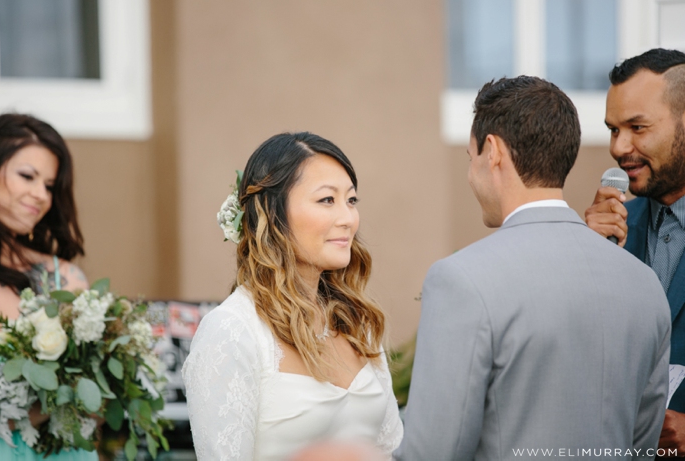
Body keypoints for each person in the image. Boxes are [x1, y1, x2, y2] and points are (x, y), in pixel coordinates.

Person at [394, 76, 671, 460]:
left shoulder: (460, 279)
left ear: (492, 151)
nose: (471, 174)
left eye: (470, 157)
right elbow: (644, 442)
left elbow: (434, 451)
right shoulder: (644, 282)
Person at [182, 132, 403, 460]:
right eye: (327, 200)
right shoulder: (232, 331)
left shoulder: (358, 324)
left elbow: (389, 451)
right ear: (274, 214)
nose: (348, 219)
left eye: (351, 200)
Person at [585, 48, 685, 455]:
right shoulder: (606, 231)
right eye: (612, 129)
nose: (619, 146)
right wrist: (581, 257)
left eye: (637, 127)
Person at [0, 113, 94, 460]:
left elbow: (90, 401)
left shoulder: (64, 279)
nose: (40, 195)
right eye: (27, 176)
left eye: (49, 185)